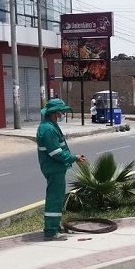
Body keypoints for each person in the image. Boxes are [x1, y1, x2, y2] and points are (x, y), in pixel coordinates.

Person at [37, 98, 86, 241]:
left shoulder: (50, 125)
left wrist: (73, 157)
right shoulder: (48, 129)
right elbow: (56, 152)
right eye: (61, 111)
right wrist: (73, 157)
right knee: (55, 198)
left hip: (55, 168)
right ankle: (51, 231)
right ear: (54, 112)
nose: (62, 113)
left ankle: (54, 226)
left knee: (56, 198)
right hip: (54, 168)